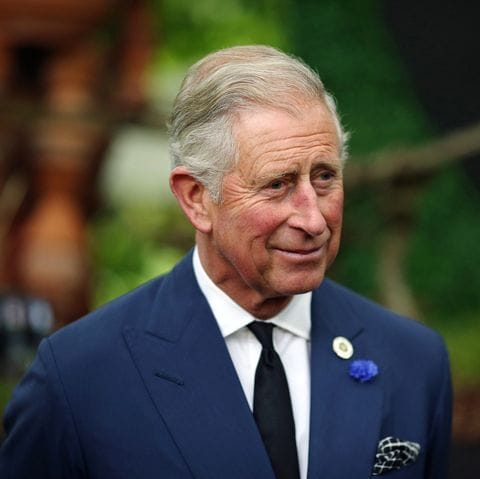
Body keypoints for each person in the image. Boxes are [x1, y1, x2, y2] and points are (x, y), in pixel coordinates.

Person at [0, 45, 451, 479]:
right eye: (277, 184)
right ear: (196, 199)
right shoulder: (80, 375)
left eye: (325, 177)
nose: (314, 219)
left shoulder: (412, 362)